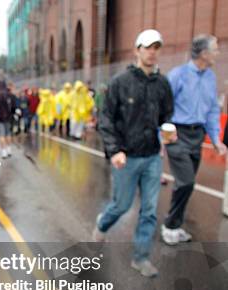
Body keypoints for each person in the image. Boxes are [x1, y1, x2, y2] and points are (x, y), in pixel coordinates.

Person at [94, 29, 174, 277]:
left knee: (149, 210)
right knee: (121, 205)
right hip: (126, 157)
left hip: (151, 156)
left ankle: (141, 258)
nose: (152, 52)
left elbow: (166, 115)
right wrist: (114, 150)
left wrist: (169, 131)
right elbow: (105, 119)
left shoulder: (162, 83)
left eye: (156, 47)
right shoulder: (120, 82)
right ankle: (101, 225)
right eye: (148, 47)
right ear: (137, 50)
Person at [161, 35, 227, 244]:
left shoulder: (210, 78)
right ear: (204, 53)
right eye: (215, 49)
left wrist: (215, 139)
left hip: (197, 135)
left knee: (187, 184)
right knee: (186, 181)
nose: (218, 53)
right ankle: (170, 225)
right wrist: (161, 138)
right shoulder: (178, 75)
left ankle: (175, 224)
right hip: (177, 134)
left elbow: (212, 111)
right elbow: (163, 106)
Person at [0, 80, 15, 158]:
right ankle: (9, 150)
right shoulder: (9, 95)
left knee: (1, 135)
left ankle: (4, 152)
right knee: (8, 133)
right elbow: (13, 107)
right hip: (8, 118)